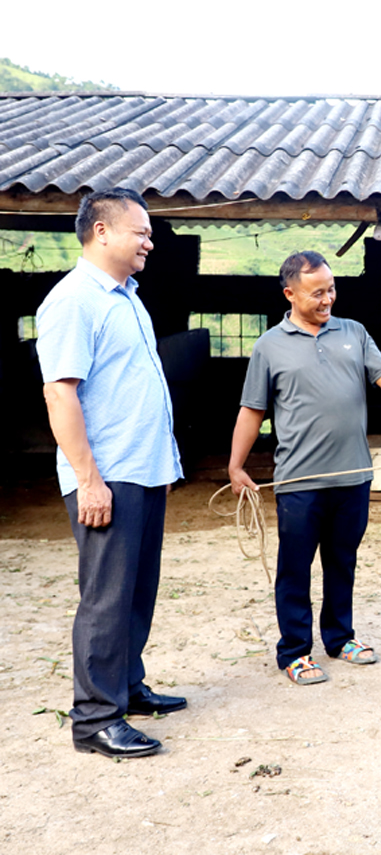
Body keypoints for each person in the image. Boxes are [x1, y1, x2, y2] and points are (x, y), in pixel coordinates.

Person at [228, 251, 381, 685]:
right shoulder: (269, 346)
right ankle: (294, 652)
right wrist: (236, 465)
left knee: (342, 561)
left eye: (332, 289)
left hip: (353, 478)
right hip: (299, 483)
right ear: (290, 293)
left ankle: (341, 638)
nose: (328, 299)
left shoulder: (354, 333)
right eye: (317, 293)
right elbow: (252, 411)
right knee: (295, 567)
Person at [37, 187, 186, 759]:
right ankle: (96, 717)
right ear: (102, 232)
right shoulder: (74, 300)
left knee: (136, 591)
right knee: (105, 597)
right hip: (108, 474)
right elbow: (60, 394)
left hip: (142, 469)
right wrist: (88, 479)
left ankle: (127, 687)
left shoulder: (125, 296)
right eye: (141, 231)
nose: (150, 240)